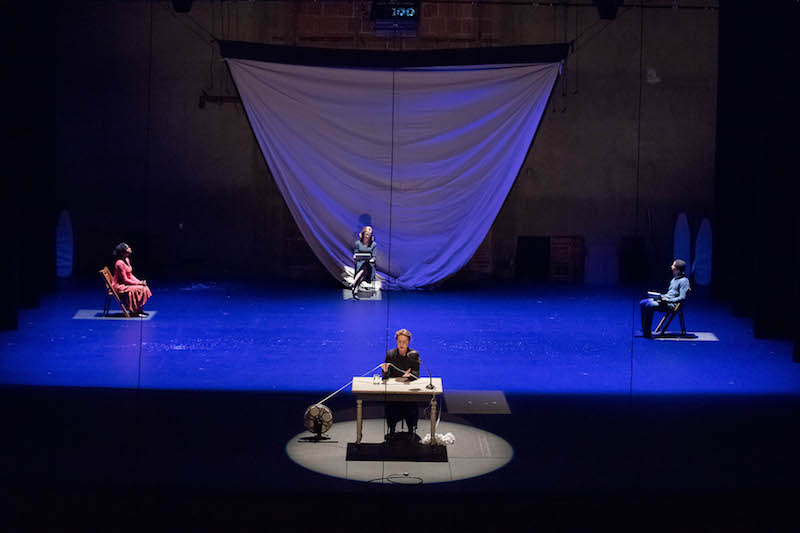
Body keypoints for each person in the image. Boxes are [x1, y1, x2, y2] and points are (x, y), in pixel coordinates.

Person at [380, 328, 420, 439]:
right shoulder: (390, 354)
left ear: (408, 342)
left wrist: (410, 375)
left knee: (410, 404)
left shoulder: (413, 354)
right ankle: (392, 429)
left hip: (408, 387)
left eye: (404, 342)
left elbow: (416, 373)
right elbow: (385, 377)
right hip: (394, 389)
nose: (401, 344)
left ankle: (411, 430)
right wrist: (385, 371)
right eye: (399, 341)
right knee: (391, 404)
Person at [640, 259, 690, 338]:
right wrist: (661, 296)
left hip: (671, 304)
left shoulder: (684, 281)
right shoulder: (674, 279)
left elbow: (682, 297)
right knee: (643, 302)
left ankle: (647, 332)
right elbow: (670, 294)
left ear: (678, 269)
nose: (671, 267)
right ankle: (644, 329)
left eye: (673, 266)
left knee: (649, 305)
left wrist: (667, 300)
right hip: (666, 301)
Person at [112, 243, 152, 318]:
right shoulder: (120, 263)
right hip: (120, 285)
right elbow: (125, 280)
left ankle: (139, 310)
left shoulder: (127, 260)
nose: (130, 248)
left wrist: (140, 282)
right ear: (123, 251)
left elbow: (130, 275)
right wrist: (138, 284)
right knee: (139, 289)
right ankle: (136, 311)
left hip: (126, 283)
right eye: (127, 248)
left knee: (144, 287)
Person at [351, 226, 376, 300]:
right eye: (367, 234)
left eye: (370, 234)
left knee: (365, 268)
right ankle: (355, 289)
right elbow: (356, 253)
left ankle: (354, 283)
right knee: (363, 270)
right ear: (363, 234)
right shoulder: (357, 243)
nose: (368, 236)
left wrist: (372, 259)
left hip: (369, 264)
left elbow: (374, 256)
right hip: (360, 262)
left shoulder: (373, 244)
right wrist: (355, 256)